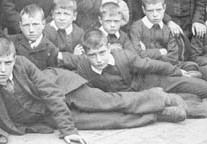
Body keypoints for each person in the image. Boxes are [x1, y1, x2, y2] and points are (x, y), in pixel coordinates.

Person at [0, 38, 184, 141]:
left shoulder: (23, 63)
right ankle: (157, 114)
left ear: (14, 59)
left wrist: (68, 131)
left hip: (62, 87)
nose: (2, 69)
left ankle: (158, 97)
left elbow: (52, 93)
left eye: (7, 62)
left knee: (108, 102)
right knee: (107, 121)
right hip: (48, 114)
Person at [62, 29, 207, 100]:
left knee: (201, 89)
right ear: (85, 55)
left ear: (109, 48)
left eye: (102, 53)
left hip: (148, 82)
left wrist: (177, 71)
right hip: (133, 98)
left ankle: (187, 72)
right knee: (186, 100)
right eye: (92, 55)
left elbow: (151, 65)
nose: (99, 60)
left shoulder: (125, 56)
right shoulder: (83, 67)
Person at [131, 0, 201, 75]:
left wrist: (148, 53)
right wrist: (160, 52)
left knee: (192, 66)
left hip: (167, 66)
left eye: (158, 10)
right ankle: (182, 75)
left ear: (164, 8)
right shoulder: (137, 27)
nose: (155, 14)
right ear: (143, 10)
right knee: (195, 82)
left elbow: (173, 57)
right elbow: (137, 54)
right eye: (150, 11)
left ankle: (182, 74)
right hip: (148, 70)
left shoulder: (167, 28)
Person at [10, 4, 59, 70]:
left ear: (43, 24)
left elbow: (51, 75)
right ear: (20, 25)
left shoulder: (51, 49)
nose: (31, 30)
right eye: (26, 25)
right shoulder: (12, 43)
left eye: (35, 24)